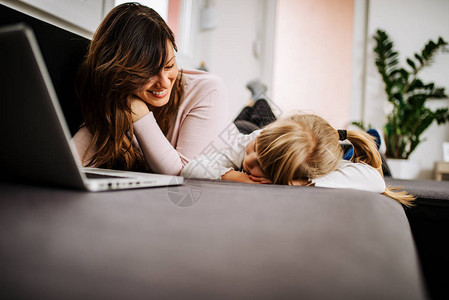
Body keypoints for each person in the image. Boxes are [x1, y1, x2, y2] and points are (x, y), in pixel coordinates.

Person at [72, 3, 230, 175]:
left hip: (236, 142)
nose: (163, 83)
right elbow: (72, 162)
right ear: (119, 74)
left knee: (254, 118)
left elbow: (186, 176)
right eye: (147, 74)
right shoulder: (120, 96)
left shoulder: (209, 89)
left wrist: (140, 115)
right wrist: (115, 103)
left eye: (169, 66)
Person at [181, 113, 415, 206]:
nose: (247, 161)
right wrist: (240, 178)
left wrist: (296, 183)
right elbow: (191, 167)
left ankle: (374, 141)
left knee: (377, 155)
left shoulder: (317, 172)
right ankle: (257, 107)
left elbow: (375, 180)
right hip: (253, 129)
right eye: (255, 150)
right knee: (245, 124)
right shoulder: (257, 137)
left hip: (339, 155)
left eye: (260, 166)